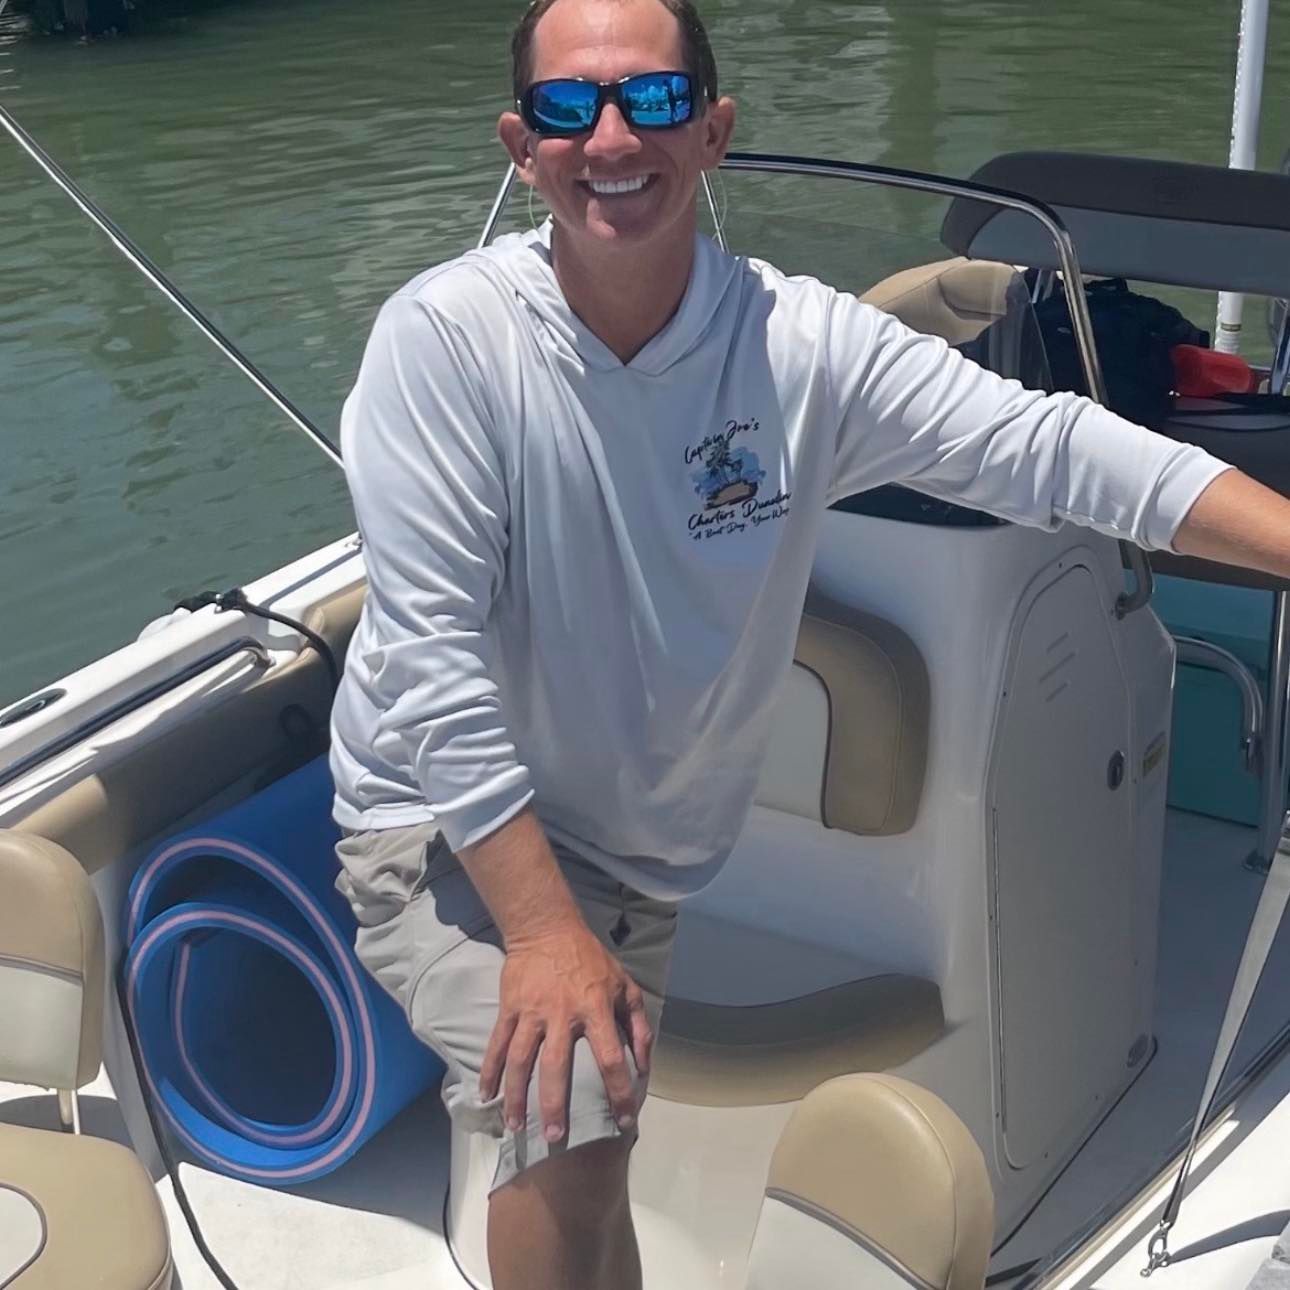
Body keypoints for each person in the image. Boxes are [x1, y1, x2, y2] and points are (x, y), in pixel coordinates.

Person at [328, 0, 1290, 1285]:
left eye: (654, 102)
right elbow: (436, 665)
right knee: (566, 1118)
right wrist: (548, 934)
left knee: (596, 1145)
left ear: (715, 129)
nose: (610, 135)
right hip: (447, 825)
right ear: (521, 145)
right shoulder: (444, 344)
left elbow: (1055, 449)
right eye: (570, 107)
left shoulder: (800, 346)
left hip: (639, 850)